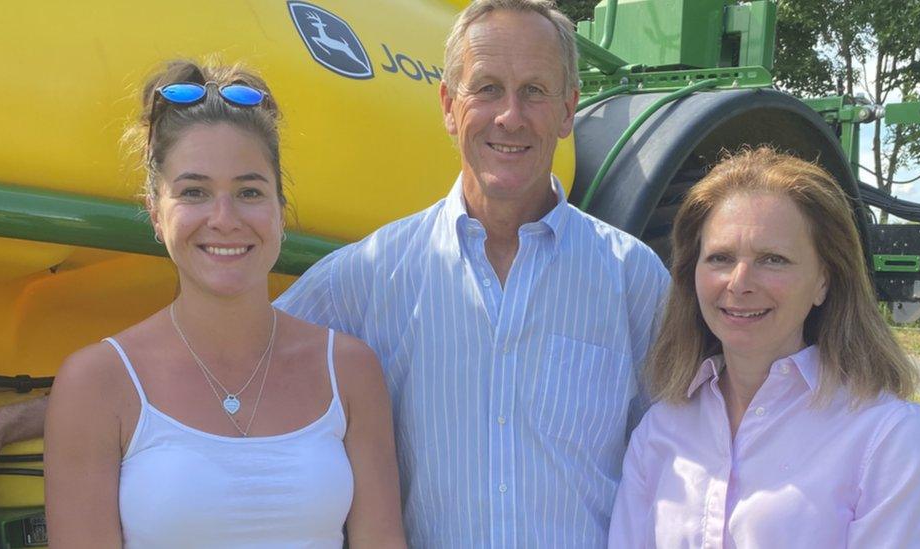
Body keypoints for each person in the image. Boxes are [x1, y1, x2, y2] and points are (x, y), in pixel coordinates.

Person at [274, 1, 669, 547]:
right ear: (448, 105)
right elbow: (246, 362)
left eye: (535, 90)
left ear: (568, 110)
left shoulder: (634, 279)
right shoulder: (368, 274)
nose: (510, 115)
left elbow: (684, 465)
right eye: (486, 88)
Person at [43, 60, 406, 548]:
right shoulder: (96, 383)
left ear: (280, 209)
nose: (224, 218)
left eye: (249, 191)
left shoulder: (350, 371)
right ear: (155, 212)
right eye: (194, 191)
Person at [608, 148, 920, 548]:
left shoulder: (888, 439)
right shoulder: (660, 431)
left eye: (773, 259)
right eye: (720, 257)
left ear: (824, 281)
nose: (740, 282)